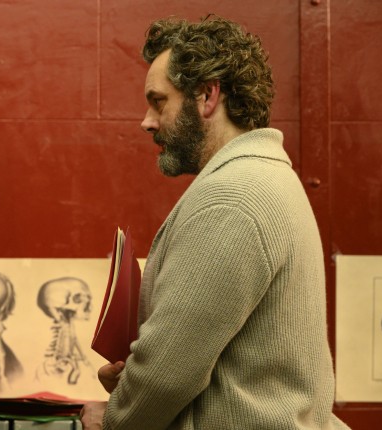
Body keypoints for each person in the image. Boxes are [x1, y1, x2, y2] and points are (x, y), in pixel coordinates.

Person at [80, 16, 350, 429]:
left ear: (207, 95)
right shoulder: (266, 178)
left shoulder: (232, 198)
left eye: (158, 101)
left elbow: (167, 374)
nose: (147, 121)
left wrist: (118, 417)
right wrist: (133, 384)